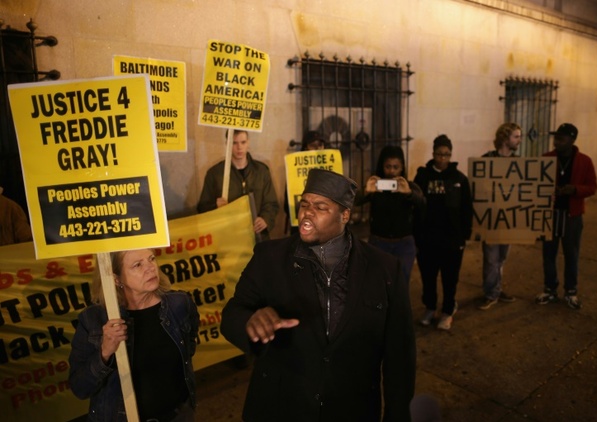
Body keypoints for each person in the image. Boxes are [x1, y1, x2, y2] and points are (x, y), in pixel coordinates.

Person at [220, 169, 416, 421]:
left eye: (320, 207)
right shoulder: (269, 257)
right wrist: (249, 322)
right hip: (281, 407)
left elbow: (400, 359)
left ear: (345, 215)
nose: (307, 212)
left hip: (351, 410)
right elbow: (231, 315)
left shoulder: (386, 269)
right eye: (304, 204)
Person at [69, 249, 200, 421]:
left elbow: (189, 346)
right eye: (138, 265)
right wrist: (105, 352)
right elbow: (80, 387)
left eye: (151, 259)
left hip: (178, 415)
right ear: (116, 278)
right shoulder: (93, 320)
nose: (151, 268)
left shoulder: (179, 304)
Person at [414, 135, 473, 330]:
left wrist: (465, 235)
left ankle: (448, 310)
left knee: (450, 278)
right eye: (439, 154)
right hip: (428, 239)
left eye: (447, 154)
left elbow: (466, 208)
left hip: (452, 240)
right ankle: (430, 307)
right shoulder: (422, 177)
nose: (443, 158)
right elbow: (414, 206)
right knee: (428, 277)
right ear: (433, 154)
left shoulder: (459, 179)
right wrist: (417, 234)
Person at [536, 123, 597, 309]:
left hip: (572, 215)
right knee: (549, 253)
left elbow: (592, 187)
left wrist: (575, 189)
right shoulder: (547, 158)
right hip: (551, 214)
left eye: (561, 139)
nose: (556, 142)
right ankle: (550, 289)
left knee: (571, 254)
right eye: (556, 138)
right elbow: (535, 183)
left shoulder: (584, 161)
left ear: (572, 140)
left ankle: (571, 291)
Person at [357, 145, 424, 284]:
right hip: (379, 243)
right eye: (388, 166)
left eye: (396, 167)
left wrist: (409, 194)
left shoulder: (409, 187)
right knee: (379, 284)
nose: (392, 171)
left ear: (402, 167)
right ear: (382, 166)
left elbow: (423, 204)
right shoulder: (375, 187)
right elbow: (353, 201)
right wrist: (366, 192)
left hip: (404, 245)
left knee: (401, 284)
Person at [197, 129, 279, 241]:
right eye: (234, 143)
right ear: (227, 144)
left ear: (248, 143)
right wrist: (215, 206)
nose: (239, 147)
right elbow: (202, 208)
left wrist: (266, 219)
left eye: (243, 142)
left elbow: (271, 203)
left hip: (257, 237)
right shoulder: (215, 173)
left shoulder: (261, 171)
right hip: (228, 238)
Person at [479, 123, 522, 310]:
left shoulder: (520, 163)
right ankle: (491, 293)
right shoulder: (486, 160)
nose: (519, 140)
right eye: (516, 137)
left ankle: (496, 288)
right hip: (490, 219)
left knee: (501, 258)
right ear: (505, 139)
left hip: (509, 219)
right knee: (491, 258)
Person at [284, 130, 327, 235]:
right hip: (302, 228)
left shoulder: (330, 170)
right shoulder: (294, 172)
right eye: (313, 145)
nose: (318, 149)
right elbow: (287, 206)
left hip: (323, 228)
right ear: (305, 148)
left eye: (320, 145)